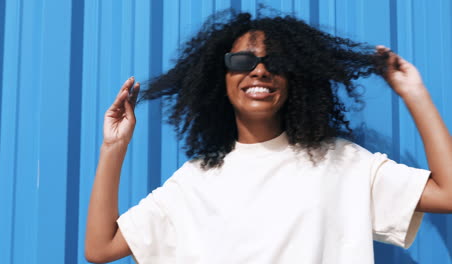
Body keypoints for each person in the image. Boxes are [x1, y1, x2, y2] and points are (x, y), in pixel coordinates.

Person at [84, 11, 452, 264]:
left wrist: (414, 94)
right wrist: (114, 146)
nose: (260, 71)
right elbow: (101, 248)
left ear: (296, 80)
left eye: (276, 63)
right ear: (220, 78)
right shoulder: (194, 182)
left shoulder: (342, 162)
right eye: (242, 62)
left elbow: (448, 194)